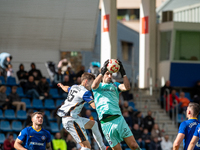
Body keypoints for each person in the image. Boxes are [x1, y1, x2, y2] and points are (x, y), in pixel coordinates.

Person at [91, 59, 141, 150]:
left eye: (111, 74)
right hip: (106, 124)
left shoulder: (115, 85)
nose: (110, 76)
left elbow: (127, 87)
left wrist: (123, 73)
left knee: (134, 145)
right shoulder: (98, 86)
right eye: (107, 74)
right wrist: (101, 72)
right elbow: (93, 86)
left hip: (119, 119)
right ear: (102, 75)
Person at [56, 72, 107, 150]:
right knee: (86, 147)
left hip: (73, 118)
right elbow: (94, 106)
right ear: (86, 81)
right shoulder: (85, 92)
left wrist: (62, 86)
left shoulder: (75, 87)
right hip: (71, 120)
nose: (92, 86)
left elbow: (67, 88)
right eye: (92, 83)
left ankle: (103, 148)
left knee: (94, 124)